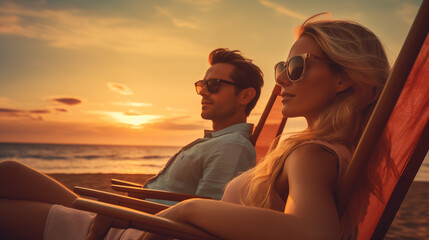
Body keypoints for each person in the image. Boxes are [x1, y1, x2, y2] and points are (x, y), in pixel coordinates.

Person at [0, 13, 390, 240]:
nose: (282, 80)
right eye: (281, 68)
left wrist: (191, 209)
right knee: (10, 172)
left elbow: (312, 235)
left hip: (133, 234)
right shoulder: (318, 151)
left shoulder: (311, 155)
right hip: (142, 228)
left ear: (344, 79)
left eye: (296, 67)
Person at [143, 48, 264, 205]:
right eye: (202, 84)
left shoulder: (232, 146)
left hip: (149, 223)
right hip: (143, 217)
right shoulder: (218, 142)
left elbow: (209, 212)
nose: (203, 92)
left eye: (214, 84)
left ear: (245, 96)